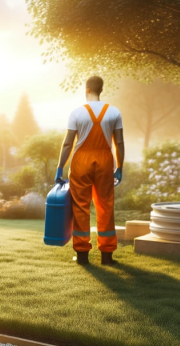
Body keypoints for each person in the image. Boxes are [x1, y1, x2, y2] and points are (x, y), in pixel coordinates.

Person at [55, 76, 125, 266]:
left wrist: (60, 167)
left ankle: (82, 255)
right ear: (101, 90)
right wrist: (119, 167)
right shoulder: (114, 112)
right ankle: (107, 256)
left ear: (86, 90)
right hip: (105, 161)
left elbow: (68, 143)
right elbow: (119, 143)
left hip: (81, 162)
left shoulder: (77, 113)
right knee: (105, 207)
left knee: (80, 207)